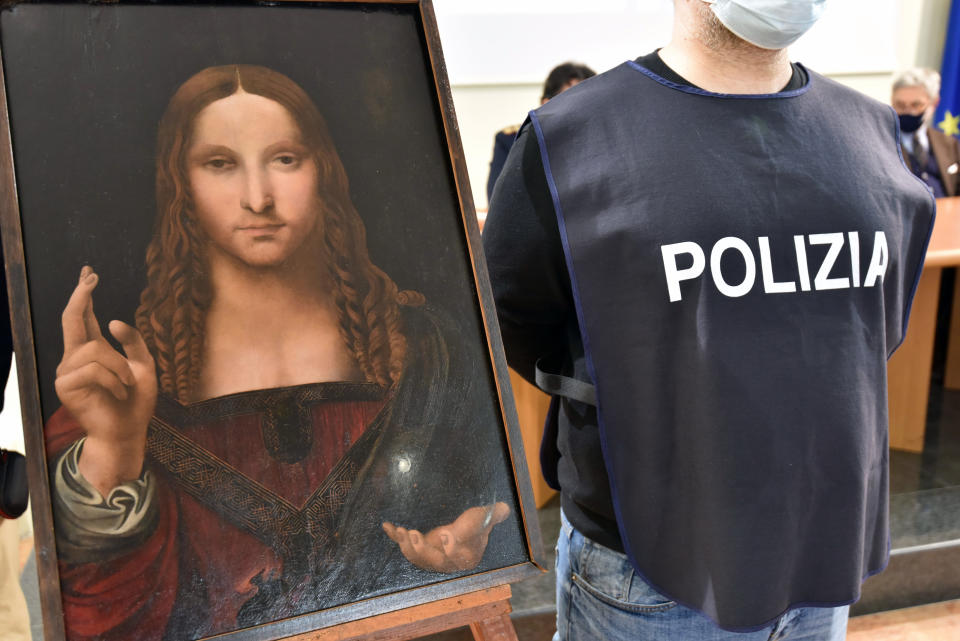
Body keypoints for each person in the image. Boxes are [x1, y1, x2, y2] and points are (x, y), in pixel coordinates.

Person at [483, 1, 936, 639]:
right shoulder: (569, 142)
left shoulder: (871, 132)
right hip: (652, 564)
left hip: (823, 550)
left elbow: (876, 326)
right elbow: (515, 320)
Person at [45, 64, 517, 641]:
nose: (257, 198)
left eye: (285, 159)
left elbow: (481, 506)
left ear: (324, 170)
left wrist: (465, 542)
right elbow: (105, 612)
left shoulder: (429, 350)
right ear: (180, 183)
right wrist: (115, 450)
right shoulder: (122, 387)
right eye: (220, 163)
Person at [485, 62, 595, 202]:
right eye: (571, 101)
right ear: (546, 104)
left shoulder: (605, 141)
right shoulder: (511, 140)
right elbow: (499, 200)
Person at [892, 67, 960, 198]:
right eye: (900, 105)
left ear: (934, 103)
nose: (907, 111)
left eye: (916, 105)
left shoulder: (950, 144)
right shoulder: (881, 143)